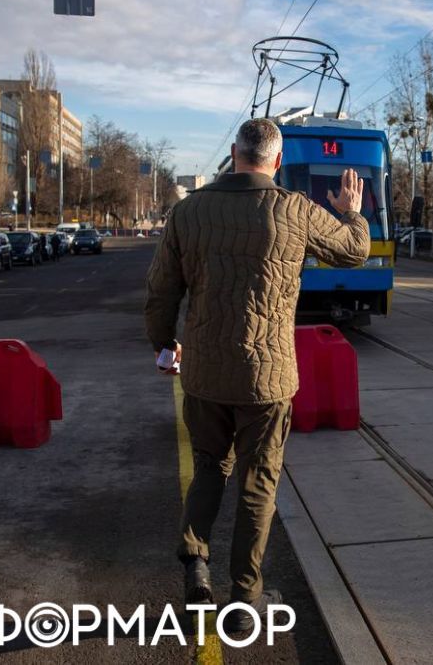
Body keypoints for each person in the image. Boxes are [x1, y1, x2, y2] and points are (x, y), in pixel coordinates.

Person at [144, 118, 370, 631]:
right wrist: (352, 214)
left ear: (233, 153)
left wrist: (164, 346)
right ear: (278, 158)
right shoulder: (294, 210)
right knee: (258, 483)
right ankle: (245, 600)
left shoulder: (187, 211)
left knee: (208, 466)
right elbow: (354, 253)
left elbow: (161, 291)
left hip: (203, 373)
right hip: (267, 381)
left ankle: (195, 558)